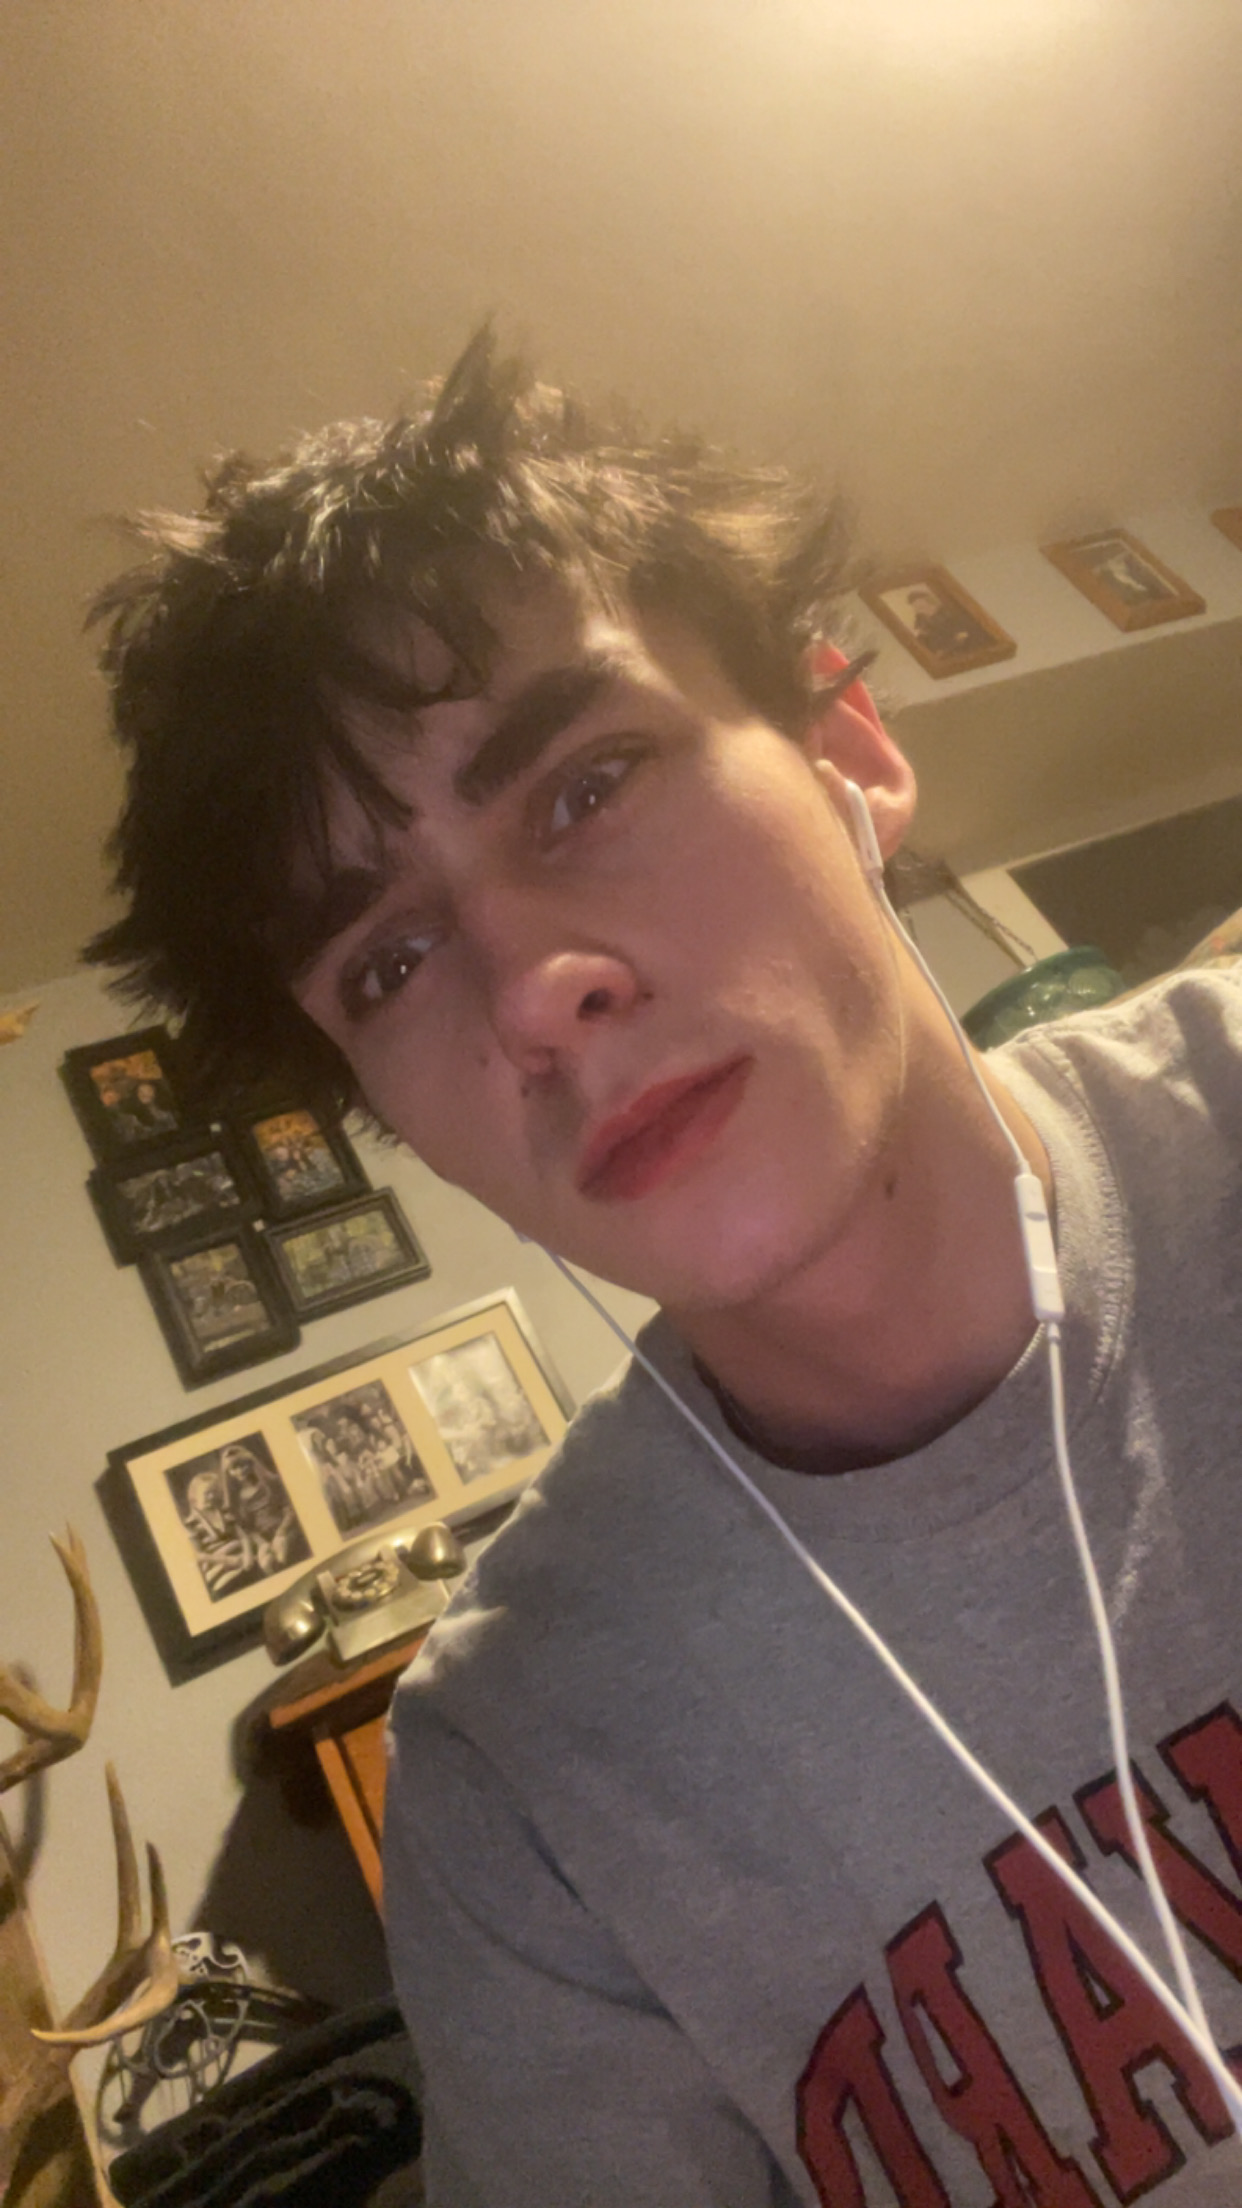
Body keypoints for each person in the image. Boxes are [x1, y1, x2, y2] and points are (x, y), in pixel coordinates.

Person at [87, 330, 1242, 2205]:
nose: (532, 995)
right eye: (388, 962)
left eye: (584, 783)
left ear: (846, 749)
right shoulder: (522, 1780)